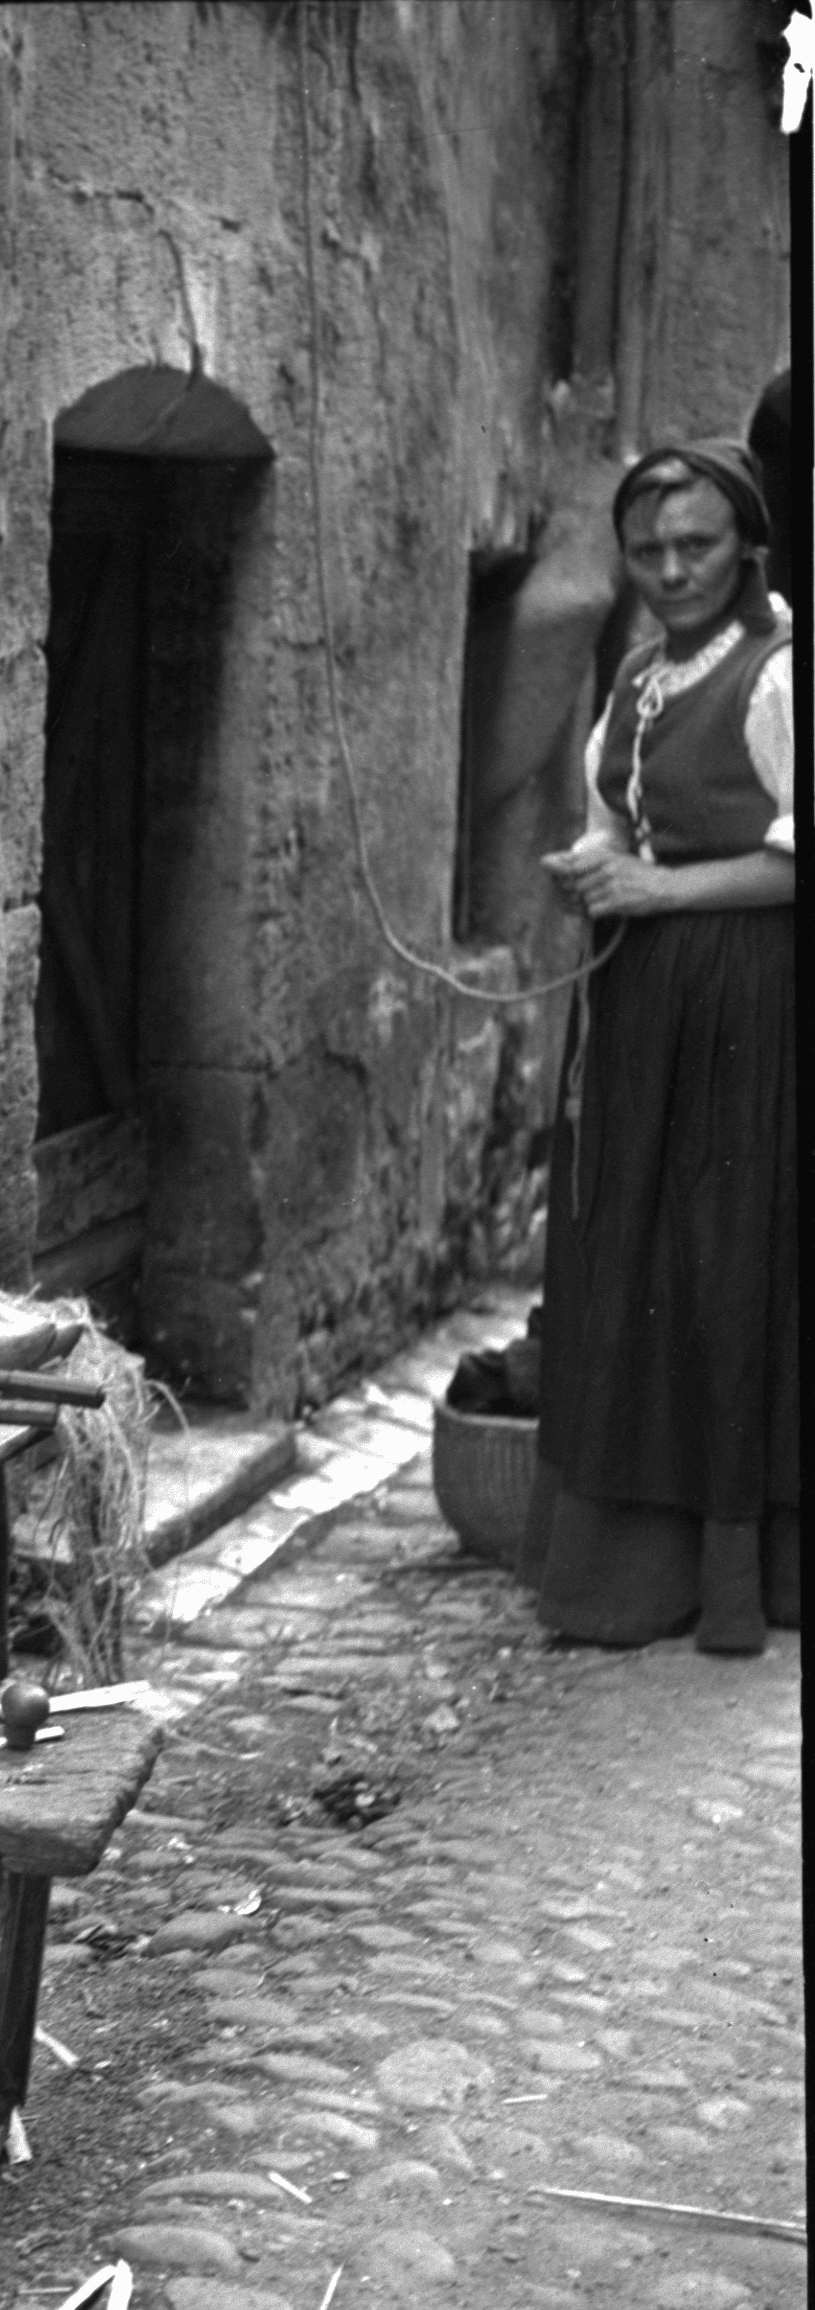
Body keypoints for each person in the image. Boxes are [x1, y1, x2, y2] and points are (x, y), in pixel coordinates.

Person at [521, 439, 795, 1653]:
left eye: (697, 545)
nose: (673, 569)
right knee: (630, 1251)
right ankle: (635, 1564)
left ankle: (748, 1555)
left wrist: (654, 892)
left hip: (753, 1004)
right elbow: (614, 820)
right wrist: (593, 870)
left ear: (746, 543)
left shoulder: (781, 674)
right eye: (648, 551)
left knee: (730, 1250)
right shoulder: (637, 674)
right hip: (642, 1006)